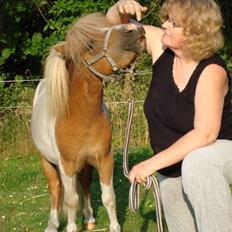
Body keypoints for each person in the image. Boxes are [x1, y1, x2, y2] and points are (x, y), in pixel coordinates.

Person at [106, 0, 232, 231]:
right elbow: (117, 34)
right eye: (165, 19)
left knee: (199, 162)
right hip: (172, 165)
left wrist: (149, 164)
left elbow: (205, 134)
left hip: (220, 151)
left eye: (172, 22)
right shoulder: (160, 47)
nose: (163, 24)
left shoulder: (212, 71)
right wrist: (118, 9)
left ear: (194, 31)